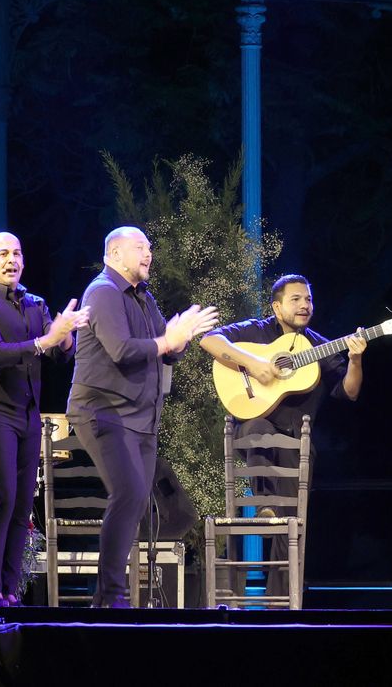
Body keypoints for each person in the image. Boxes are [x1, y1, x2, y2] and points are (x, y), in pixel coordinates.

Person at [67, 226, 217, 608]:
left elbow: (164, 347)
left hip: (141, 419)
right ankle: (111, 596)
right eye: (140, 248)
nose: (149, 254)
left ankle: (112, 595)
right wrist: (167, 340)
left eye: (149, 248)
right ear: (115, 254)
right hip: (104, 412)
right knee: (130, 493)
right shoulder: (102, 292)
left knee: (135, 501)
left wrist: (177, 339)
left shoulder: (143, 297)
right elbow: (121, 349)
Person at [200, 274, 369, 594]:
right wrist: (253, 363)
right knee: (257, 428)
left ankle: (281, 597)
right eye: (296, 299)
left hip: (295, 444)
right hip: (253, 428)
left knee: (291, 525)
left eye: (308, 299)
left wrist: (356, 360)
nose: (305, 305)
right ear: (277, 308)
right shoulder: (257, 331)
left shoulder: (320, 346)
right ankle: (265, 504)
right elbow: (209, 340)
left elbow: (349, 392)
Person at [0, 232, 88, 607]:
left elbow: (60, 356)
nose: (11, 260)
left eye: (17, 253)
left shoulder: (34, 303)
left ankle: (9, 590)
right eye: (3, 254)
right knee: (1, 498)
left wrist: (65, 336)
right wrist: (47, 341)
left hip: (28, 413)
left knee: (22, 504)